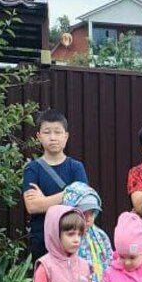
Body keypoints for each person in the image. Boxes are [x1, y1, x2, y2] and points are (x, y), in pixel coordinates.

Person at [23, 109, 88, 260]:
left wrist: (44, 201)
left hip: (73, 238)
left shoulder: (76, 167)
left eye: (58, 132)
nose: (53, 138)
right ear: (39, 136)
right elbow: (32, 207)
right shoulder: (32, 168)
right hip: (42, 239)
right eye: (47, 132)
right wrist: (70, 194)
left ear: (66, 136)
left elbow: (84, 202)